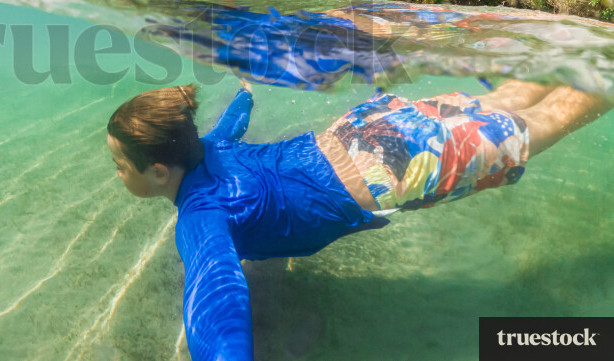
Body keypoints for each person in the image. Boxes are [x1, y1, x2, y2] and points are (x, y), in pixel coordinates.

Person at [105, 79, 609, 361]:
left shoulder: (199, 218)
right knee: (505, 99)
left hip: (394, 166)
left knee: (550, 119)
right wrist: (244, 93)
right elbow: (228, 125)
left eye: (119, 164)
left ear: (156, 171)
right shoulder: (208, 148)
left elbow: (217, 301)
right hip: (362, 129)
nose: (117, 173)